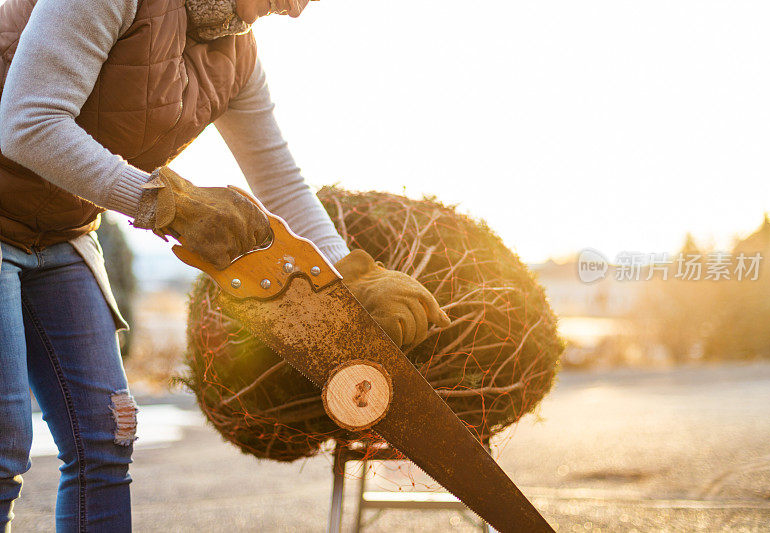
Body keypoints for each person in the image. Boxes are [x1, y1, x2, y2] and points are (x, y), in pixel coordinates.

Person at [0, 0, 450, 530]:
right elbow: (29, 124)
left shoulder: (237, 55)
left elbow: (279, 181)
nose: (297, 10)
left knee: (106, 440)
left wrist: (350, 276)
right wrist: (169, 204)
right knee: (4, 444)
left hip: (62, 234)